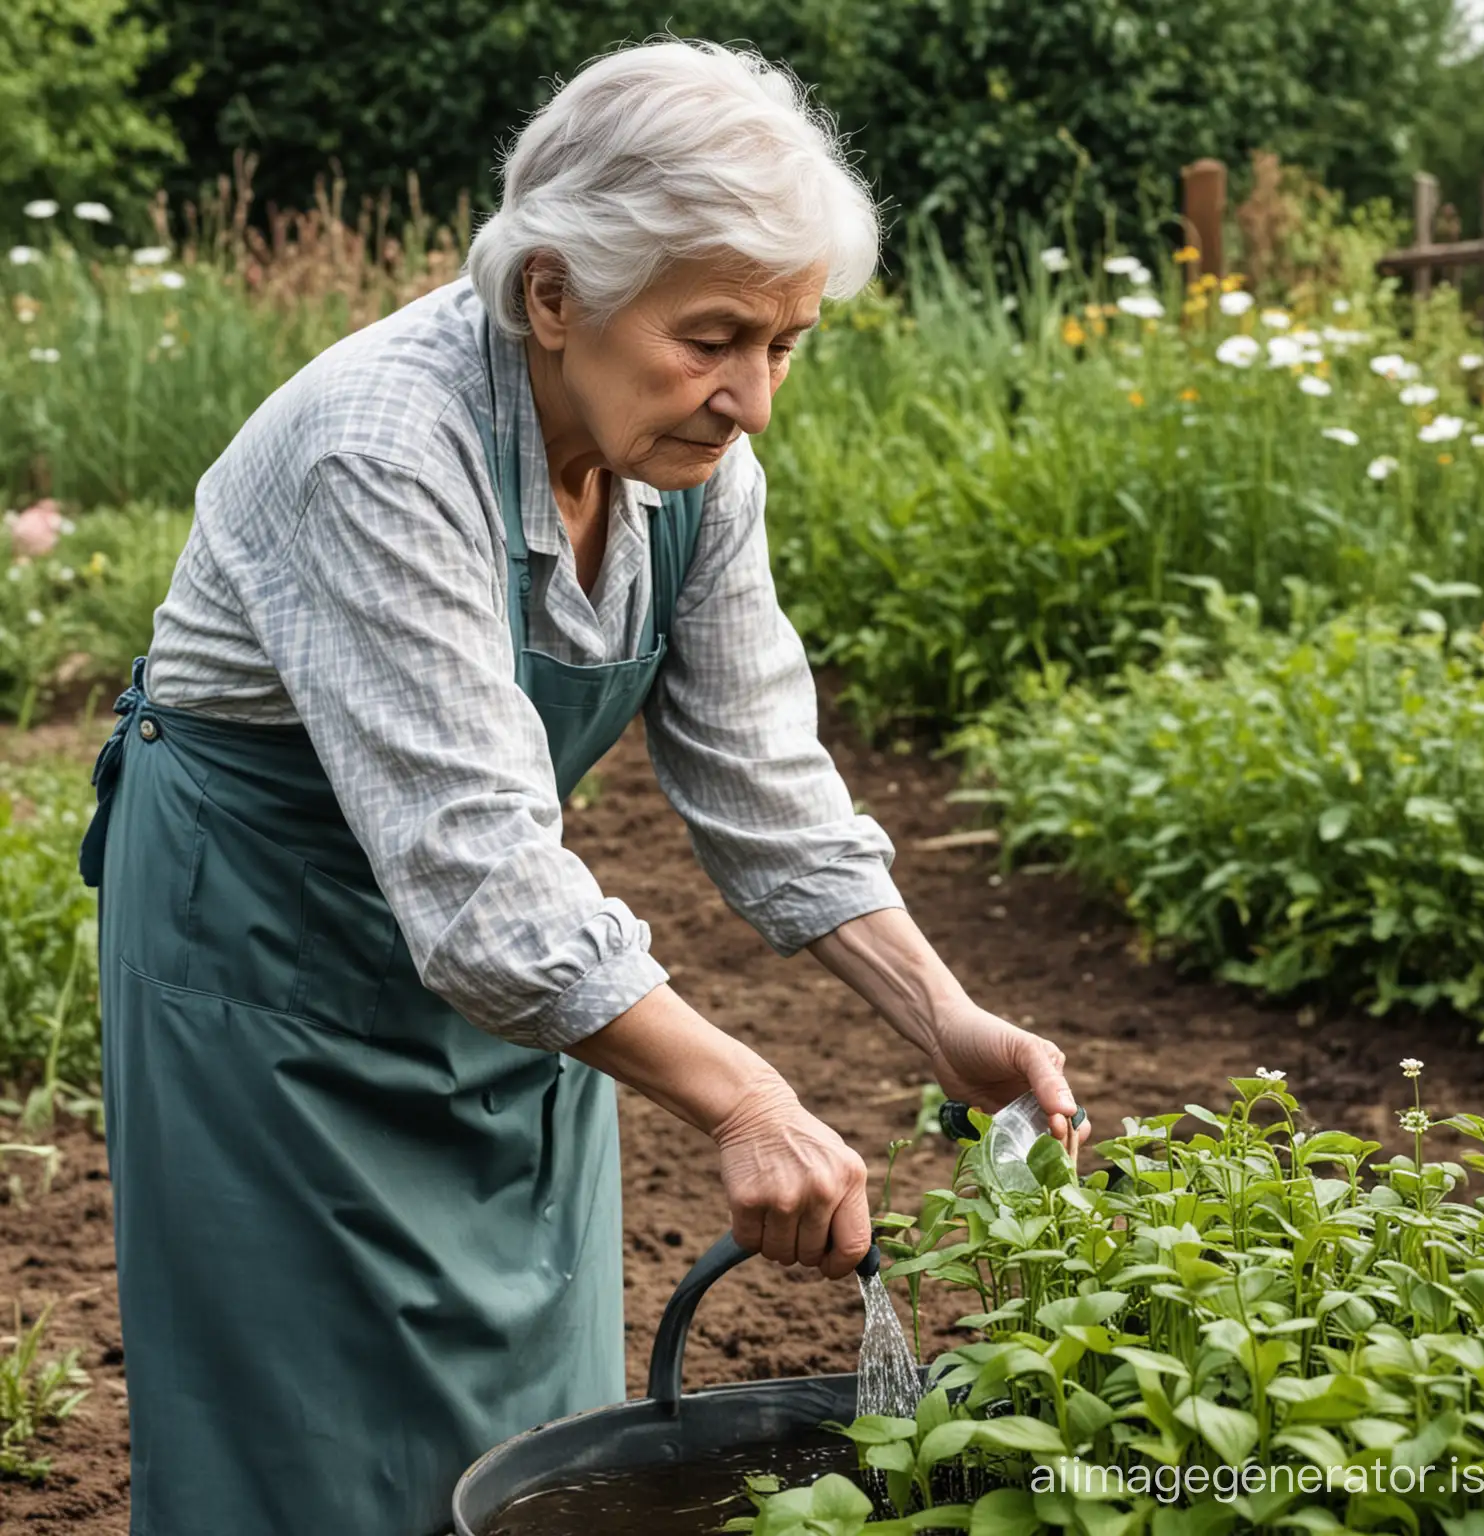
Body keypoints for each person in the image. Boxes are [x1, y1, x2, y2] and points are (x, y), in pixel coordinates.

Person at [78, 37, 1088, 1536]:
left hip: (509, 972)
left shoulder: (690, 469)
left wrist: (937, 1012)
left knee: (545, 1431)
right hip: (272, 966)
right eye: (713, 337)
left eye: (787, 342)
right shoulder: (382, 448)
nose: (753, 398)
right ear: (552, 295)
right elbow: (483, 885)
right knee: (300, 1445)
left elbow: (766, 785)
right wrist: (744, 1096)